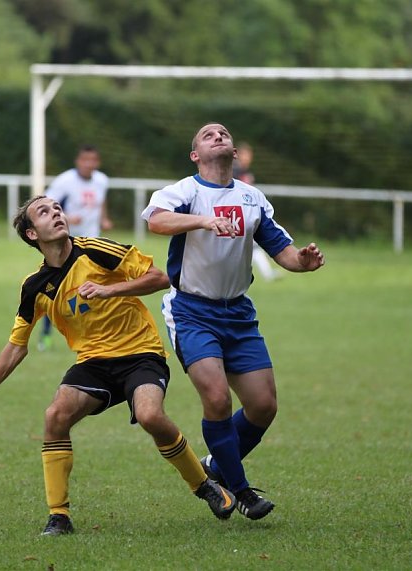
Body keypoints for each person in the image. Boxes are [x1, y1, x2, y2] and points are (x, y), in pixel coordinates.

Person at [0, 195, 236, 536]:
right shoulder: (35, 287)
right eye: (44, 212)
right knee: (55, 416)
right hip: (94, 363)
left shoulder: (95, 250)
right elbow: (15, 348)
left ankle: (204, 486)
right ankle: (59, 517)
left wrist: (108, 290)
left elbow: (159, 279)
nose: (55, 213)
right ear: (31, 235)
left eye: (57, 208)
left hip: (140, 352)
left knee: (150, 416)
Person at [141, 123, 325, 520]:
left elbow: (283, 250)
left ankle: (217, 466)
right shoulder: (185, 192)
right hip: (191, 310)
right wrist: (202, 221)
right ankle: (240, 490)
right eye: (208, 135)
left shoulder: (252, 197)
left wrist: (302, 263)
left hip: (238, 313)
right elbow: (155, 221)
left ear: (235, 151)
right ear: (195, 155)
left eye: (224, 134)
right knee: (218, 399)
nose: (218, 136)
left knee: (263, 406)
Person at [37, 145, 113, 351]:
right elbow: (44, 205)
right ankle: (45, 334)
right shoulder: (65, 181)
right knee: (55, 289)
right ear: (78, 161)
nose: (89, 164)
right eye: (85, 160)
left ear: (97, 162)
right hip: (66, 244)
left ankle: (95, 333)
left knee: (95, 287)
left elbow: (101, 202)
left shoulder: (101, 180)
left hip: (92, 244)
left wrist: (104, 218)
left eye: (93, 160)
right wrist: (67, 218)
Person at [233, 142, 280, 282]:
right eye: (246, 154)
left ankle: (267, 274)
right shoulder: (234, 171)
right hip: (236, 213)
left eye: (250, 155)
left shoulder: (245, 172)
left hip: (246, 212)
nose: (248, 158)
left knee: (251, 245)